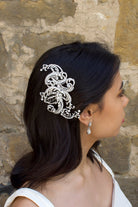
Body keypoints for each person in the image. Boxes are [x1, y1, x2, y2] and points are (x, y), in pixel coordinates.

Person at [4, 42, 132, 207]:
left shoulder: (98, 165)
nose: (126, 101)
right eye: (119, 94)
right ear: (87, 113)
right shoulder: (30, 205)